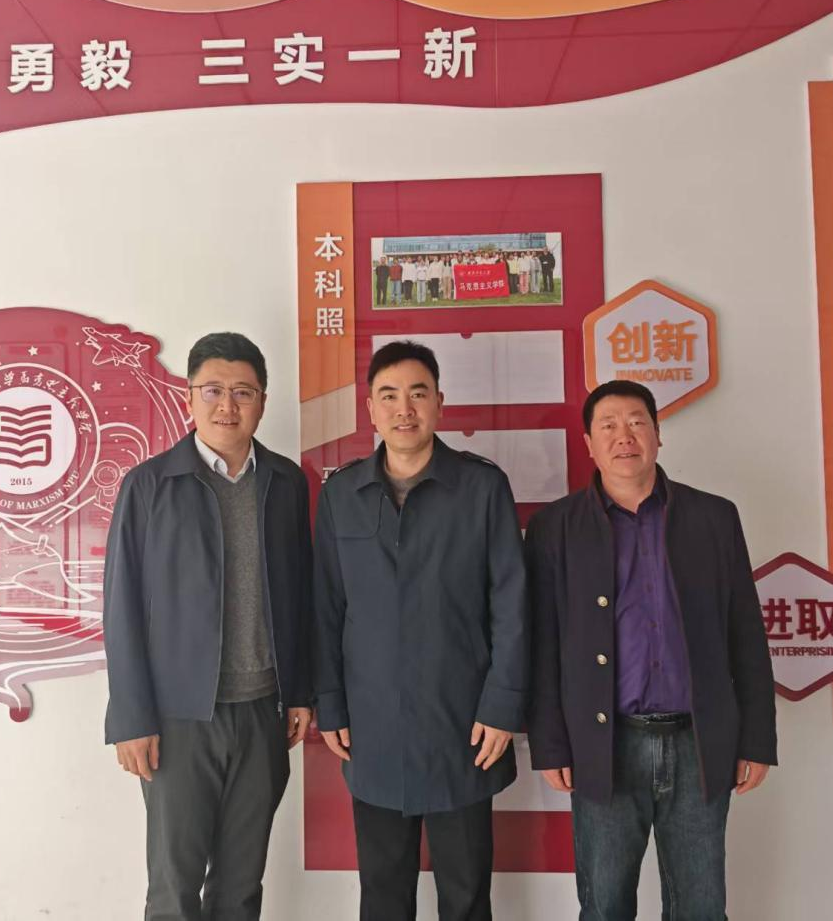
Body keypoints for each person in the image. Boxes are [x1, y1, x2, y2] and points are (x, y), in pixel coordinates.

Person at [526, 379, 777, 921]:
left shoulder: (714, 518)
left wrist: (756, 738)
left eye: (637, 423)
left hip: (698, 743)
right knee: (604, 905)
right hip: (603, 745)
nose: (625, 436)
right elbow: (542, 645)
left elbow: (745, 634)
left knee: (701, 907)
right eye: (609, 426)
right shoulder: (554, 529)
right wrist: (550, 744)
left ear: (658, 435)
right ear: (589, 443)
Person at [313, 340, 529, 921]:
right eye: (388, 396)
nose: (403, 409)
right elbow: (326, 606)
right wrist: (330, 704)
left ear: (439, 403)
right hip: (373, 726)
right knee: (383, 897)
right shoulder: (341, 494)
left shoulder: (481, 488)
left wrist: (503, 705)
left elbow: (511, 603)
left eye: (417, 394)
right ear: (370, 409)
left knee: (466, 896)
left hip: (464, 725)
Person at [103, 332, 313, 921]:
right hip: (178, 722)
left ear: (263, 400)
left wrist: (300, 690)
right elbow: (121, 607)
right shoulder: (150, 485)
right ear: (189, 398)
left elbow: (300, 592)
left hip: (263, 714)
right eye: (213, 390)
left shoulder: (286, 482)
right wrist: (132, 718)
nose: (228, 406)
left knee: (240, 889)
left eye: (243, 392)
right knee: (174, 889)